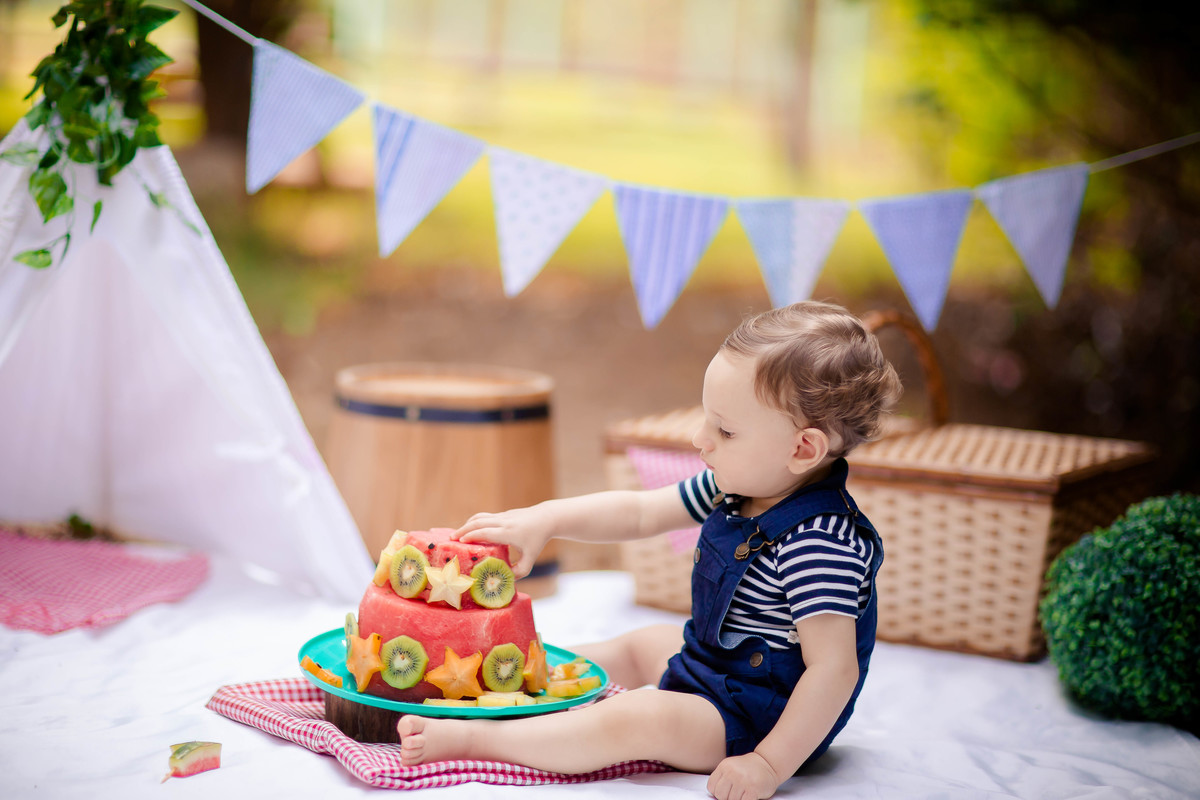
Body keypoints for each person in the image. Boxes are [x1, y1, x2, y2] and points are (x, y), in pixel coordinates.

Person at [397, 301, 902, 800]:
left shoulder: (821, 544)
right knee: (640, 645)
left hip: (756, 721)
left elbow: (834, 671)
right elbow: (639, 513)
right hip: (713, 669)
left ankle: (478, 741)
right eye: (707, 419)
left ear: (803, 449)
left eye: (725, 430)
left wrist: (768, 763)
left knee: (640, 717)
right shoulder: (739, 487)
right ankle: (498, 682)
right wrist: (546, 520)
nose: (700, 439)